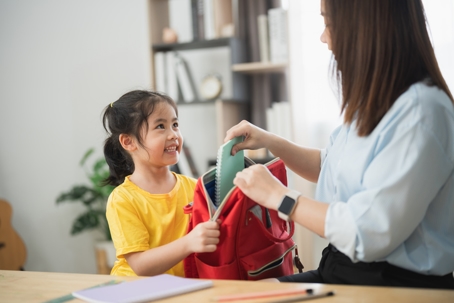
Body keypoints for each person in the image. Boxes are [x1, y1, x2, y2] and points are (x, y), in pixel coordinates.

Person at [224, 0, 454, 289]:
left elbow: (366, 232)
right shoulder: (376, 100)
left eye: (328, 22)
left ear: (365, 28)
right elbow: (330, 165)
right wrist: (271, 141)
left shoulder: (422, 113)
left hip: (394, 285)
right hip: (340, 269)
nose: (324, 37)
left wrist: (280, 197)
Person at [101, 90, 220, 277]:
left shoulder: (195, 187)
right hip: (135, 289)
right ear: (128, 142)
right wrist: (189, 242)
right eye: (160, 126)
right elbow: (140, 266)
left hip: (182, 287)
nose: (173, 134)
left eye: (175, 124)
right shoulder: (122, 199)